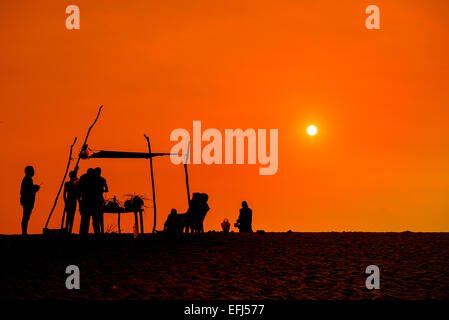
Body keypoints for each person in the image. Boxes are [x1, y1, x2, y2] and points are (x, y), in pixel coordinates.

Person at [78, 168, 100, 236]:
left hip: (86, 201)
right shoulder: (94, 179)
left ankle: (83, 233)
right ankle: (96, 233)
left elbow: (79, 189)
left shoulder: (83, 177)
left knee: (85, 219)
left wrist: (80, 202)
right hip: (92, 201)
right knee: (94, 219)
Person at [20, 166, 40, 235]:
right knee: (26, 217)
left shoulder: (27, 179)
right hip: (27, 201)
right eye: (32, 171)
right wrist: (35, 188)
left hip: (27, 201)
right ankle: (24, 232)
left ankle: (24, 232)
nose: (33, 172)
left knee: (26, 216)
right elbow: (29, 191)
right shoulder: (28, 180)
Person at [94, 167, 108, 234]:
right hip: (100, 199)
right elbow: (107, 189)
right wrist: (102, 190)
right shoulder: (103, 180)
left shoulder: (93, 180)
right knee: (100, 216)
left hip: (95, 199)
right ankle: (101, 231)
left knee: (95, 217)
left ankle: (98, 232)